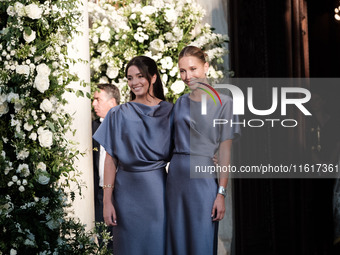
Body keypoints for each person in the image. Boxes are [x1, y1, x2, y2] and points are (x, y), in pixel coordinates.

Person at [93, 56, 173, 255]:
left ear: (153, 77)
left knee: (156, 247)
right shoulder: (117, 114)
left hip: (157, 193)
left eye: (140, 76)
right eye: (130, 78)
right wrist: (107, 201)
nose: (134, 82)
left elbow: (183, 149)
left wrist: (209, 157)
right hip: (125, 194)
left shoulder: (170, 111)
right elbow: (110, 160)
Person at [166, 46, 240, 255]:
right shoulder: (179, 103)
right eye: (182, 71)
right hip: (176, 179)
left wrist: (221, 194)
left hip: (204, 180)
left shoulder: (224, 103)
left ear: (206, 66)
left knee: (201, 242)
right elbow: (167, 144)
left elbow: (225, 152)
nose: (187, 76)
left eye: (193, 69)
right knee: (176, 243)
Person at [92, 83, 120, 251]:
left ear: (112, 101)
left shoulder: (125, 122)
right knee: (105, 242)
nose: (94, 104)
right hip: (101, 194)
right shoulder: (92, 126)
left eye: (98, 99)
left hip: (123, 191)